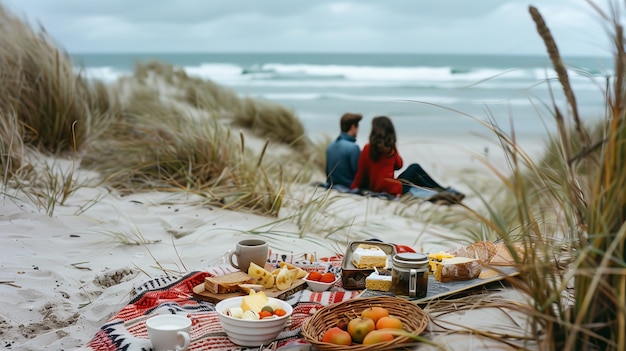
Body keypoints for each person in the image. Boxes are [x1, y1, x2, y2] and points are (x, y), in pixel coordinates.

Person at [350, 116, 464, 202]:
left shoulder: (367, 148)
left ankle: (441, 191)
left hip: (382, 187)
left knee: (415, 170)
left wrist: (353, 188)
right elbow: (399, 165)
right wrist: (393, 149)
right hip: (394, 188)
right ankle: (442, 190)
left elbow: (361, 173)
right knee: (415, 168)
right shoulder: (390, 149)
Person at [325, 113, 363, 188]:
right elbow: (358, 174)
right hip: (348, 185)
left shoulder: (330, 146)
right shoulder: (354, 148)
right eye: (357, 127)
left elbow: (327, 172)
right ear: (353, 127)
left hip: (332, 184)